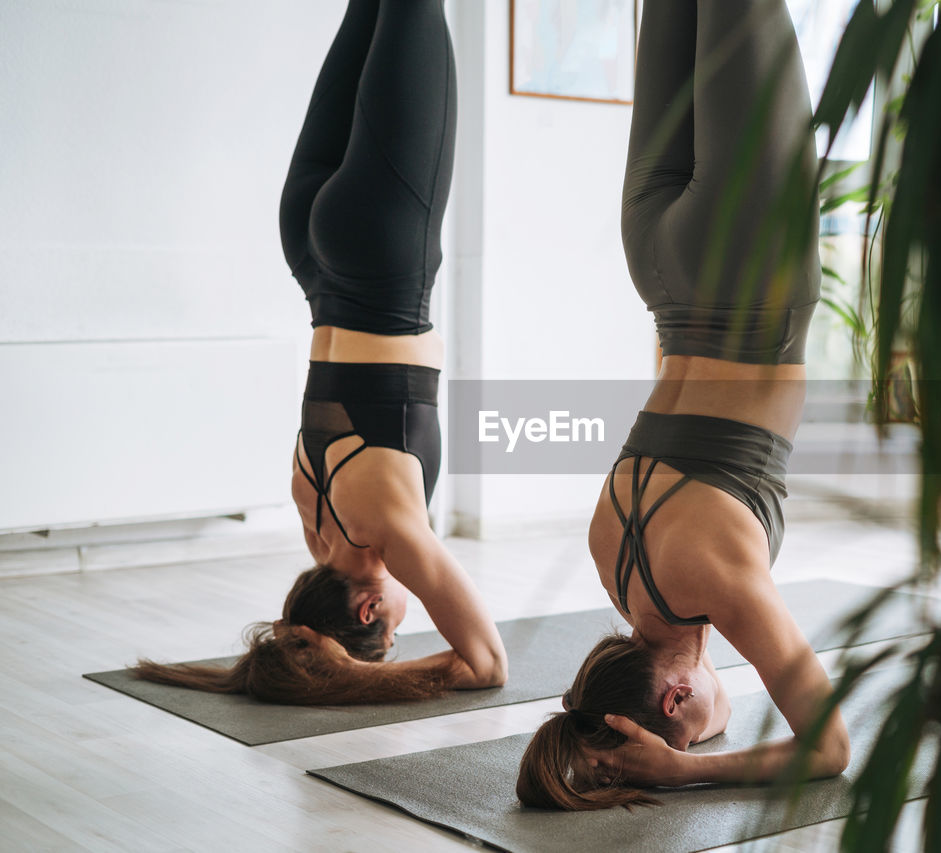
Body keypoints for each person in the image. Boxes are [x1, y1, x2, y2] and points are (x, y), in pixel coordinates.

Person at [516, 0, 850, 810]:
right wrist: (645, 735)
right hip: (660, 266)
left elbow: (830, 747)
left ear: (671, 699)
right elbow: (715, 699)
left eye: (690, 724)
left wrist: (683, 766)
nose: (710, 720)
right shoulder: (614, 557)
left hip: (748, 259)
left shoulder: (719, 581)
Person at [133, 0, 507, 705]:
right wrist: (315, 653)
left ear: (368, 610)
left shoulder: (386, 531)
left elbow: (488, 664)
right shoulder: (316, 517)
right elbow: (304, 634)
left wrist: (368, 674)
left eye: (394, 629)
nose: (406, 623)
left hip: (383, 248)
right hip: (308, 249)